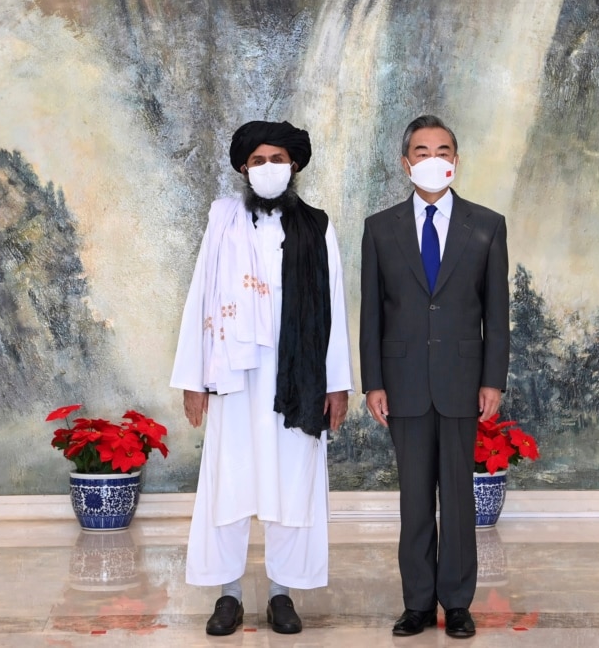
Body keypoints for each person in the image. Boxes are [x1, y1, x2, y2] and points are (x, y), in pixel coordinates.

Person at [170, 120, 353, 636]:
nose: (268, 167)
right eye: (257, 160)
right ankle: (227, 594)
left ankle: (281, 594)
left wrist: (336, 382)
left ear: (293, 165)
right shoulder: (222, 221)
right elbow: (201, 295)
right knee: (229, 480)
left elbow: (333, 307)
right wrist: (193, 378)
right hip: (233, 373)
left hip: (296, 377)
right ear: (244, 169)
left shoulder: (316, 226)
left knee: (291, 481)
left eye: (277, 159)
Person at [359, 115, 509, 639]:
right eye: (421, 152)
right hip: (402, 384)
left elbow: (496, 310)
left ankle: (458, 603)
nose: (433, 159)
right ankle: (418, 603)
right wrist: (373, 382)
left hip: (463, 382)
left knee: (459, 501)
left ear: (457, 160)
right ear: (406, 164)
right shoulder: (379, 228)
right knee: (415, 499)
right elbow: (372, 312)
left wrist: (493, 379)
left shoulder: (487, 225)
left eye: (443, 150)